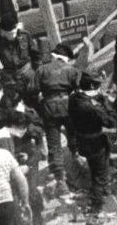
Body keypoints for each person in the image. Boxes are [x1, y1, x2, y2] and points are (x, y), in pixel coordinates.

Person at [64, 72, 115, 214]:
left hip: (81, 139)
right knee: (100, 173)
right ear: (92, 85)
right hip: (95, 141)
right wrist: (105, 102)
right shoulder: (93, 107)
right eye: (98, 84)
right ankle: (97, 205)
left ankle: (101, 191)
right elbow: (111, 122)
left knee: (94, 169)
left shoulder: (74, 98)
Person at [34, 41, 78, 174]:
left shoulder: (41, 69)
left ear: (54, 55)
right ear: (66, 58)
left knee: (54, 145)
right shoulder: (72, 70)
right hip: (68, 106)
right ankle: (78, 164)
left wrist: (41, 103)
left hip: (49, 108)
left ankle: (60, 181)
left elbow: (33, 89)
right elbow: (78, 89)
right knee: (74, 137)